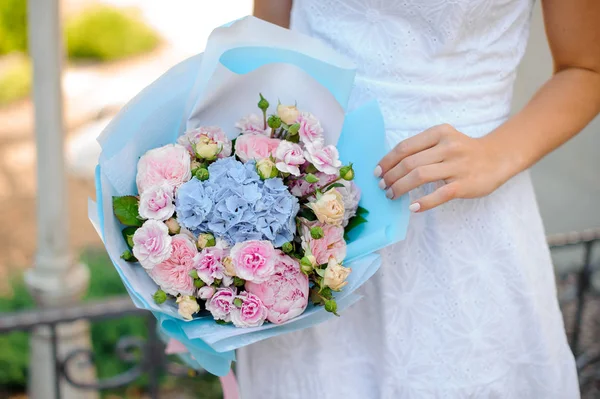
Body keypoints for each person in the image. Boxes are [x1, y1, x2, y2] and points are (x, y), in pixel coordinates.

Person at [237, 1, 600, 397]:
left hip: (456, 220)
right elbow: (270, 38)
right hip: (303, 211)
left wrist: (498, 153)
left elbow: (586, 68)